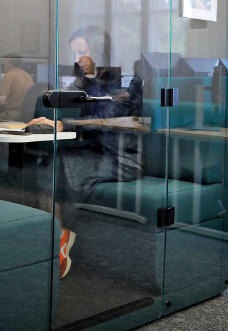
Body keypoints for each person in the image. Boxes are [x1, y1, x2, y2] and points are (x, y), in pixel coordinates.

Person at [26, 25, 143, 278]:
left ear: (99, 51)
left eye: (83, 51)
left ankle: (57, 241)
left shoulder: (126, 82)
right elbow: (68, 98)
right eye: (75, 53)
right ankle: (56, 238)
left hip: (121, 158)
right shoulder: (87, 78)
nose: (78, 59)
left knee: (53, 163)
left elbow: (107, 116)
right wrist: (47, 113)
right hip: (94, 150)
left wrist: (62, 123)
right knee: (47, 161)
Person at [0, 53, 34, 120]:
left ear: (11, 64)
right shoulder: (28, 76)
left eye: (5, 63)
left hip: (12, 114)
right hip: (27, 115)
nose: (4, 66)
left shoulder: (9, 75)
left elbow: (2, 100)